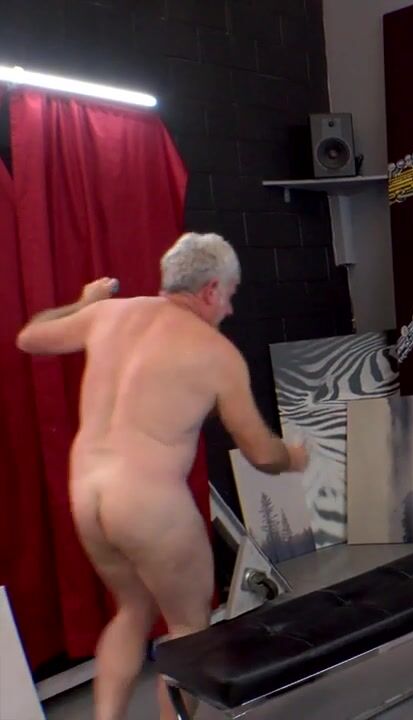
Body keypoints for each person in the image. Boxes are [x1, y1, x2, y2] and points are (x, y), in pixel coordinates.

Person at [16, 232, 309, 720]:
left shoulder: (108, 315)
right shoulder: (216, 353)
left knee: (131, 611)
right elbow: (260, 452)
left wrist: (84, 303)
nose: (229, 309)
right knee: (189, 631)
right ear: (210, 290)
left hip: (87, 494)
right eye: (229, 295)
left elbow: (30, 336)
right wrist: (293, 458)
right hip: (148, 503)